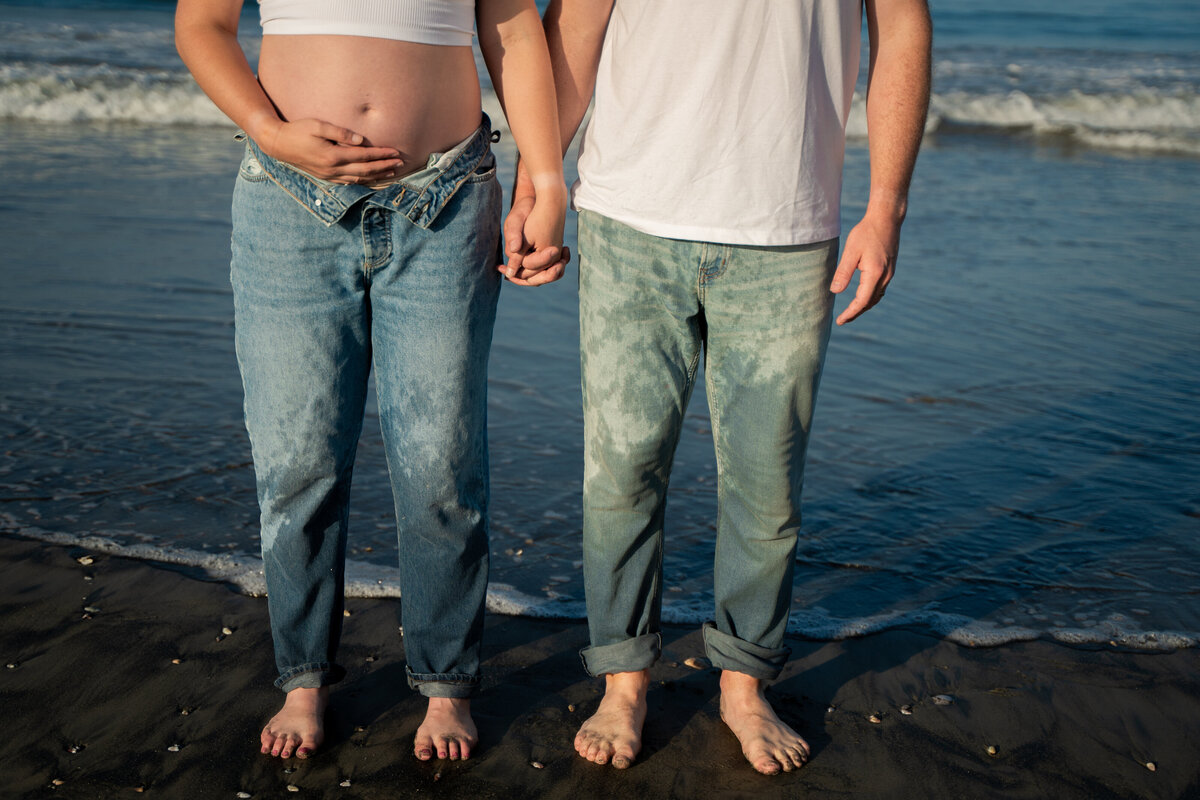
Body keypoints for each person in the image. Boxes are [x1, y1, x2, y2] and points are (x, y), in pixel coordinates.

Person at [503, 0, 931, 775]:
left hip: (787, 228)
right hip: (628, 217)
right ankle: (624, 682)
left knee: (767, 487)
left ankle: (744, 685)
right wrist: (536, 179)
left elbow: (900, 26)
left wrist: (887, 205)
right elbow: (576, 28)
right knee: (623, 471)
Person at [175, 0, 569, 763]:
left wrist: (545, 179)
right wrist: (269, 128)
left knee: (441, 467)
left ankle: (446, 683)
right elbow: (202, 25)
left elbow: (515, 28)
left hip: (446, 201)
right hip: (289, 202)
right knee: (298, 463)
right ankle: (303, 678)